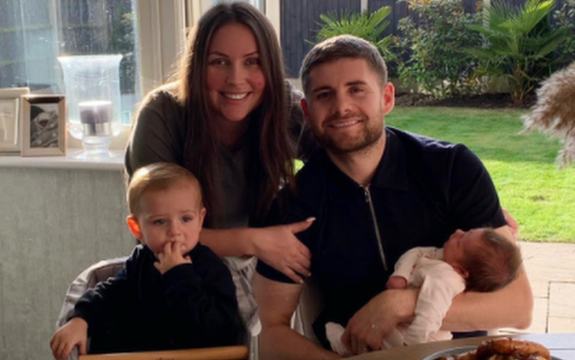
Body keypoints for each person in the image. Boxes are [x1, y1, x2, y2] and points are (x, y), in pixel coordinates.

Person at [254, 35, 533, 360]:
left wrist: (400, 304)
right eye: (324, 95)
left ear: (387, 97)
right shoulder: (294, 204)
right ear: (307, 109)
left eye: (356, 89)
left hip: (460, 354)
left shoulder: (452, 168)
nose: (341, 106)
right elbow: (271, 331)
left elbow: (518, 305)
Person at [125, 2, 317, 325]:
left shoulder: (282, 103)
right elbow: (156, 234)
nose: (236, 79)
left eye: (252, 62)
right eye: (219, 62)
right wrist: (256, 240)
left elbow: (339, 159)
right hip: (179, 273)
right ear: (197, 66)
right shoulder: (161, 115)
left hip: (263, 268)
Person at [49, 163, 245, 360]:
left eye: (186, 219)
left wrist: (179, 276)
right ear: (137, 228)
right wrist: (81, 319)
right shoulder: (140, 261)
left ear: (200, 220)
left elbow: (220, 329)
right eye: (160, 221)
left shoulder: (212, 269)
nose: (175, 231)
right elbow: (110, 294)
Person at [326, 228, 523, 355]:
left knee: (385, 344)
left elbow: (430, 315)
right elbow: (416, 252)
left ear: (462, 271)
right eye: (466, 232)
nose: (457, 232)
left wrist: (413, 348)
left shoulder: (445, 280)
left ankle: (344, 348)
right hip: (404, 327)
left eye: (460, 241)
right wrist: (401, 275)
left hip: (421, 339)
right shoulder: (442, 257)